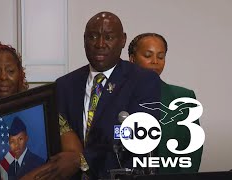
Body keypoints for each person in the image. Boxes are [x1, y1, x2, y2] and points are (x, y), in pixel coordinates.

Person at [55, 12, 161, 179]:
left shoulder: (144, 81)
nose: (100, 44)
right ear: (84, 40)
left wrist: (82, 160)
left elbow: (137, 136)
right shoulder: (64, 85)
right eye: (92, 37)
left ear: (123, 40)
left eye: (109, 37)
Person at [0, 42, 83, 177]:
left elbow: (74, 152)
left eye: (10, 71)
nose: (3, 77)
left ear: (20, 74)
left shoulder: (40, 105)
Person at [128, 32, 203, 174]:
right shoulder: (116, 96)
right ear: (132, 59)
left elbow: (193, 151)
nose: (155, 61)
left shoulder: (183, 97)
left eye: (161, 56)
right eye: (148, 56)